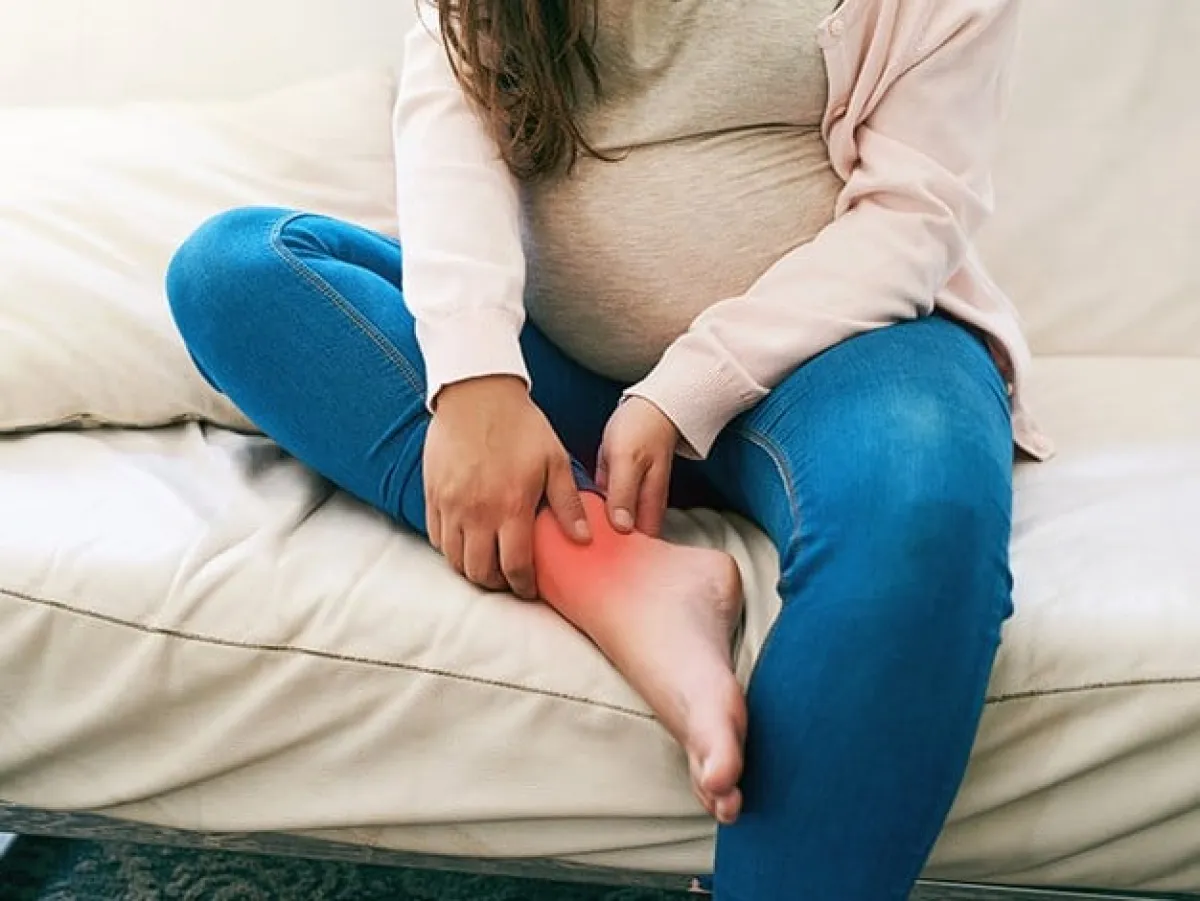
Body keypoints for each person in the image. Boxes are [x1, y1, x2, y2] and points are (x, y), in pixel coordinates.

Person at [166, 0, 1049, 896]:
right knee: (234, 269)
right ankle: (613, 575)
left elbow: (913, 215)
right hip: (561, 379)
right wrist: (478, 376)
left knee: (923, 514)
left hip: (844, 358)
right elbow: (453, 120)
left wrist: (684, 388)